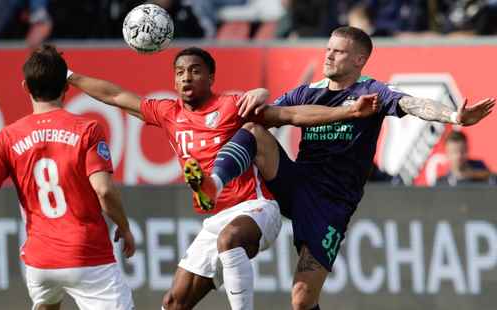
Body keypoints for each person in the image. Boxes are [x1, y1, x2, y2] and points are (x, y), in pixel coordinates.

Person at [186, 26, 495, 310]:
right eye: (328, 49)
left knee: (302, 300)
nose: (329, 55)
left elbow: (413, 105)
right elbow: (268, 114)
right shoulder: (307, 92)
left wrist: (454, 117)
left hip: (331, 203)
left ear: (359, 59)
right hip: (297, 182)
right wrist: (261, 94)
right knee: (254, 130)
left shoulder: (372, 92)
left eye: (339, 51)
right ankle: (214, 183)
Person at [67, 46, 379, 310]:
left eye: (195, 70)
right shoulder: (167, 113)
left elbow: (290, 115)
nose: (187, 77)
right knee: (174, 302)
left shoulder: (231, 105)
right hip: (216, 217)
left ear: (211, 77)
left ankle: (214, 185)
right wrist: (69, 77)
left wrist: (349, 112)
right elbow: (116, 96)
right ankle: (210, 189)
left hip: (256, 207)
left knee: (229, 240)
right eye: (180, 72)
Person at [0, 45, 136, 310]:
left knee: (48, 303)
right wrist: (124, 227)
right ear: (66, 88)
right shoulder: (87, 129)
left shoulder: (9, 136)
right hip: (86, 255)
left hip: (39, 262)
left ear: (25, 87)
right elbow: (103, 191)